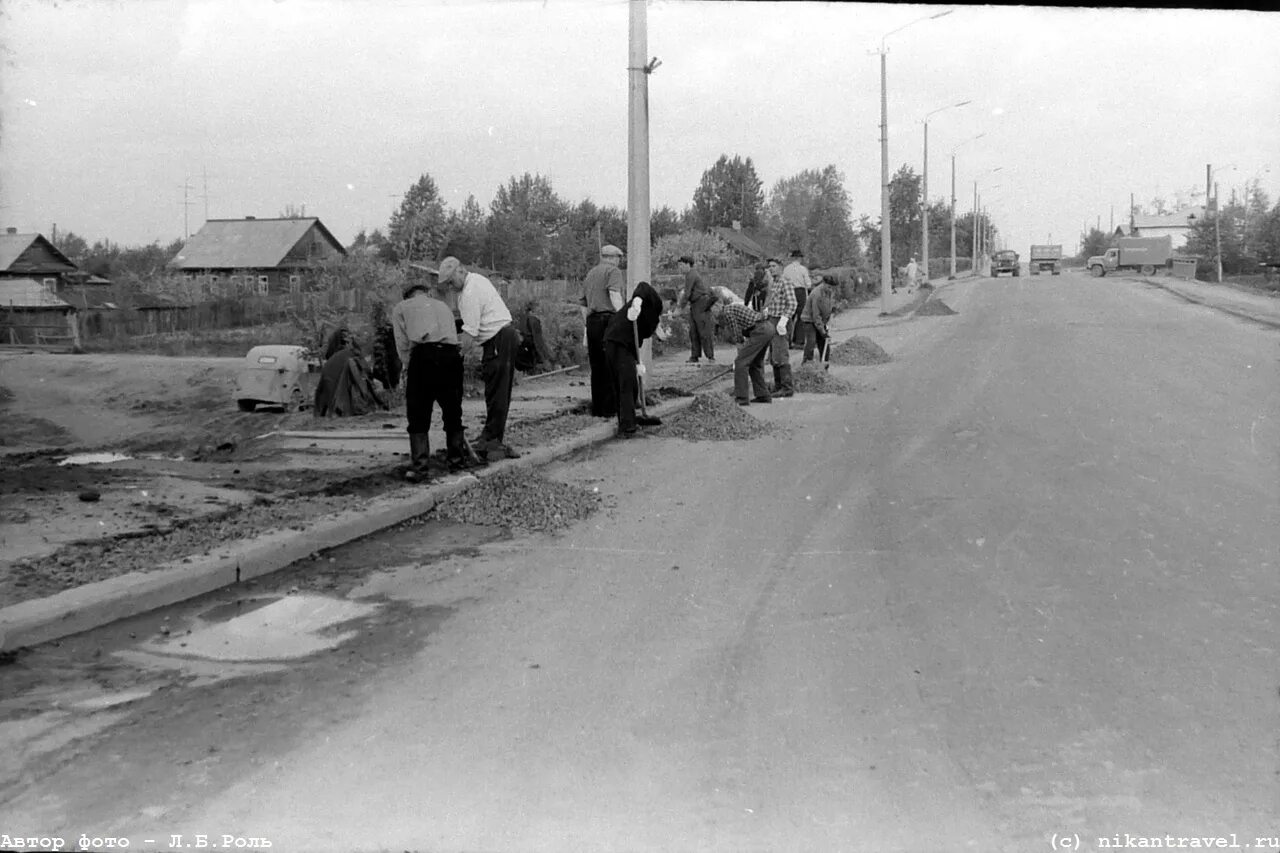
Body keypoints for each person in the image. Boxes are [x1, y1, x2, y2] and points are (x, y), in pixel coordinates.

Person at [436, 256, 522, 462]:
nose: (450, 286)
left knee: (497, 392)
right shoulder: (475, 280)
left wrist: (455, 356)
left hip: (499, 340)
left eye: (451, 280)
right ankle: (490, 436)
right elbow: (468, 323)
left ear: (461, 271)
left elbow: (470, 332)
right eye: (447, 284)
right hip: (500, 338)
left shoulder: (470, 292)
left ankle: (492, 440)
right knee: (495, 390)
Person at [390, 277, 470, 481]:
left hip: (424, 356)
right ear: (426, 293)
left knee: (418, 413)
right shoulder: (443, 306)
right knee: (453, 411)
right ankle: (457, 462)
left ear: (408, 295)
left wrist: (410, 366)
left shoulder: (402, 307)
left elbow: (402, 343)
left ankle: (420, 468)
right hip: (452, 356)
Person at [602, 281, 664, 439]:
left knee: (629, 384)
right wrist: (637, 300)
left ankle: (630, 418)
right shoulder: (652, 303)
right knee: (626, 384)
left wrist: (638, 362)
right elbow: (643, 287)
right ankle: (627, 426)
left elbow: (636, 341)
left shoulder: (647, 322)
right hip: (617, 341)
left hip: (621, 344)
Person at [581, 244, 626, 417]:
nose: (619, 261)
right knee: (611, 364)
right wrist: (623, 318)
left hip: (592, 321)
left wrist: (586, 326)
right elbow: (615, 295)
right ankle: (610, 409)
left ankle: (598, 408)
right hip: (608, 320)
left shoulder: (590, 274)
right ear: (613, 258)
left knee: (597, 366)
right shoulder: (613, 272)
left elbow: (583, 304)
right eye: (618, 258)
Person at [314, 326, 388, 418]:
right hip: (343, 405)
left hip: (328, 407)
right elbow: (364, 379)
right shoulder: (352, 357)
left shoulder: (331, 360)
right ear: (348, 342)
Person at [716, 300, 774, 406]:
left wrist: (739, 358)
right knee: (755, 364)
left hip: (760, 330)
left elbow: (737, 335)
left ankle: (741, 398)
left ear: (718, 308)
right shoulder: (731, 308)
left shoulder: (727, 312)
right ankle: (763, 395)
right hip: (767, 328)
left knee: (740, 363)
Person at [761, 257, 798, 397]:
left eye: (774, 266)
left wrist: (784, 320)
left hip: (781, 321)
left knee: (781, 354)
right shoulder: (774, 283)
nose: (771, 269)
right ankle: (778, 386)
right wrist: (767, 310)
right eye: (769, 266)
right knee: (774, 354)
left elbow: (793, 303)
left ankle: (787, 387)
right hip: (772, 319)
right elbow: (773, 301)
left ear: (781, 267)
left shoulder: (785, 282)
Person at [676, 255, 715, 364]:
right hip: (694, 304)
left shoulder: (692, 275)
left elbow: (687, 293)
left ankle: (710, 356)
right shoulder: (689, 275)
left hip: (701, 303)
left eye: (682, 265)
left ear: (688, 264)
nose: (680, 268)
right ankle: (695, 356)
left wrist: (679, 308)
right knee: (693, 331)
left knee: (703, 330)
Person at [800, 273, 836, 365]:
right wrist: (823, 332)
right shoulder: (816, 294)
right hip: (809, 320)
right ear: (823, 283)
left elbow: (832, 303)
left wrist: (832, 312)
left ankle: (824, 367)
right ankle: (806, 366)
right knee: (811, 342)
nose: (831, 290)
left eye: (832, 288)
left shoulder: (830, 291)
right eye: (829, 287)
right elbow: (816, 315)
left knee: (825, 344)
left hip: (821, 320)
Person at [781, 250, 810, 348]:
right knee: (801, 317)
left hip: (789, 291)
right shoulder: (803, 269)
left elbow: (783, 281)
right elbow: (808, 284)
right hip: (800, 292)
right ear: (799, 258)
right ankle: (799, 341)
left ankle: (786, 340)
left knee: (789, 316)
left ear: (793, 258)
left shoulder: (786, 269)